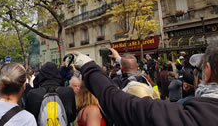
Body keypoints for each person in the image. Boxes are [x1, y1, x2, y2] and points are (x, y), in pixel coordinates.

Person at [70, 44, 218, 126]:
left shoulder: (190, 117)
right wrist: (121, 60)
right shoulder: (145, 78)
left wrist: (89, 66)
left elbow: (117, 100)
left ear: (208, 70)